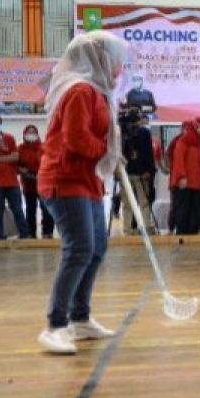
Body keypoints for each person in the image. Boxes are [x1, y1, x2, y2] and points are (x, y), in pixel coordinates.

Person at [36, 31, 127, 354]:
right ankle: (56, 325)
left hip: (87, 180)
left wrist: (110, 151)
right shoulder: (80, 92)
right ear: (98, 58)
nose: (119, 67)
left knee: (97, 248)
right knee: (79, 249)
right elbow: (75, 140)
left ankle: (80, 316)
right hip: (65, 179)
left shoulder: (98, 93)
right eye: (115, 59)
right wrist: (107, 151)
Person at [119, 108, 157, 236]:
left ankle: (127, 228)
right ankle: (146, 226)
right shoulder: (144, 132)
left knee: (127, 202)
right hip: (140, 172)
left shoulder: (122, 132)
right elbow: (148, 153)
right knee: (143, 201)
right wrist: (150, 170)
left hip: (125, 172)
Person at [171, 117, 200, 236]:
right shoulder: (183, 141)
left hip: (196, 182)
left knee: (195, 210)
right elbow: (179, 160)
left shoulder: (199, 143)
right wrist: (182, 177)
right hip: (184, 182)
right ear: (197, 126)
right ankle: (182, 233)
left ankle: (193, 233)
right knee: (183, 209)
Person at [17, 124, 54, 239]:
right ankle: (31, 233)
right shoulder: (20, 148)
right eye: (29, 132)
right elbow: (16, 164)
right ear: (24, 135)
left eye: (33, 132)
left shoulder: (44, 147)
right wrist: (20, 169)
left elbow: (50, 161)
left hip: (43, 181)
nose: (31, 135)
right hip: (28, 182)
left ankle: (47, 232)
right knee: (30, 209)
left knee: (47, 209)